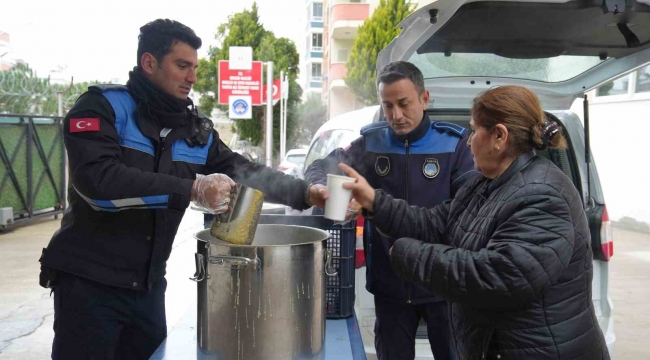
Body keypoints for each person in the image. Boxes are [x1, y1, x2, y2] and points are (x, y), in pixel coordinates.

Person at [38, 19, 327, 360]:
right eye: (182, 65)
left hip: (146, 290)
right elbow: (98, 183)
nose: (192, 77)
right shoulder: (102, 108)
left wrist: (306, 193)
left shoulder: (194, 131)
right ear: (149, 63)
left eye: (195, 68)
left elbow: (243, 170)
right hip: (88, 285)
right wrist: (191, 189)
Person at [339, 85, 611, 360]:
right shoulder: (484, 184)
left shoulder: (544, 193)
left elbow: (500, 276)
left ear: (499, 137)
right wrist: (373, 200)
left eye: (473, 130)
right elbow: (434, 223)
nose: (468, 141)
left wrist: (410, 255)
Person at [304, 61, 477, 360]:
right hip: (390, 287)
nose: (396, 115)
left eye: (403, 103)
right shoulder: (372, 144)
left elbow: (468, 212)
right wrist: (323, 188)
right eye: (387, 106)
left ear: (424, 98)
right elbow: (321, 166)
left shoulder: (455, 144)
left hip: (444, 286)